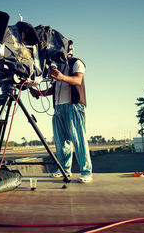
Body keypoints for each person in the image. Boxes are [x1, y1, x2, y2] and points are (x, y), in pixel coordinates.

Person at [30, 41, 92, 183]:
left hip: (74, 106)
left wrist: (62, 77)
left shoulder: (76, 62)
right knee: (61, 141)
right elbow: (55, 88)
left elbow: (77, 80)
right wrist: (40, 93)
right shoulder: (57, 66)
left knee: (78, 139)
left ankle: (86, 172)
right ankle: (64, 170)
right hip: (58, 108)